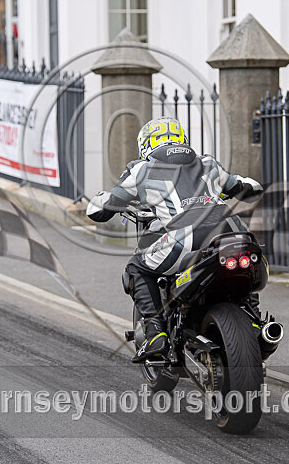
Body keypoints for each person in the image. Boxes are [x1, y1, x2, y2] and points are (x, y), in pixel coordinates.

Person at [86, 117, 263, 362]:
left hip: (185, 238)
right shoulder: (208, 163)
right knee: (244, 264)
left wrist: (101, 200)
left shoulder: (140, 169)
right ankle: (255, 321)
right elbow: (250, 188)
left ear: (145, 145)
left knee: (137, 267)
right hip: (233, 232)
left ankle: (155, 332)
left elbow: (98, 209)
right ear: (182, 139)